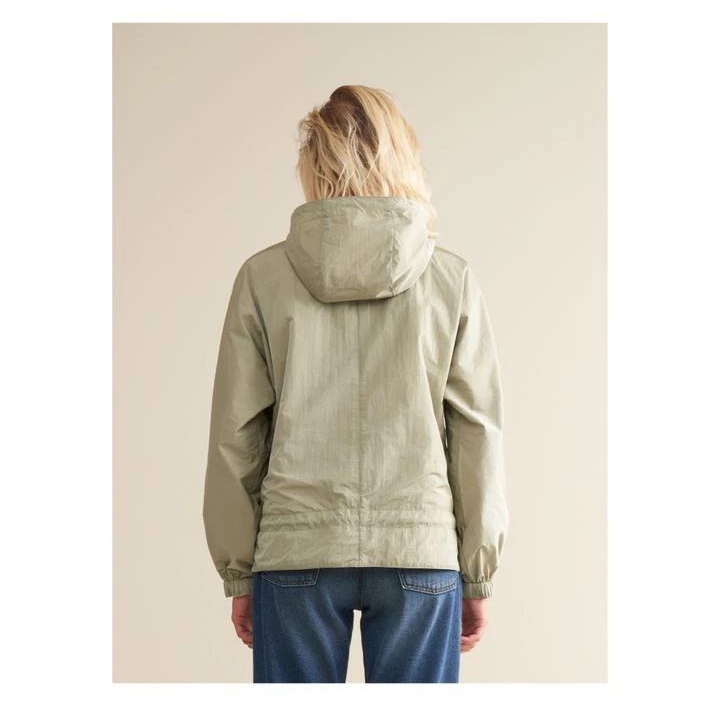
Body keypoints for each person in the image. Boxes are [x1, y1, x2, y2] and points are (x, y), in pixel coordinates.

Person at [202, 84, 509, 683]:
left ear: (314, 166)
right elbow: (477, 435)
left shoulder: (262, 278)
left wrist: (239, 570)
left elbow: (236, 435)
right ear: (402, 156)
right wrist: (476, 573)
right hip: (420, 551)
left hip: (296, 549)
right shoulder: (452, 280)